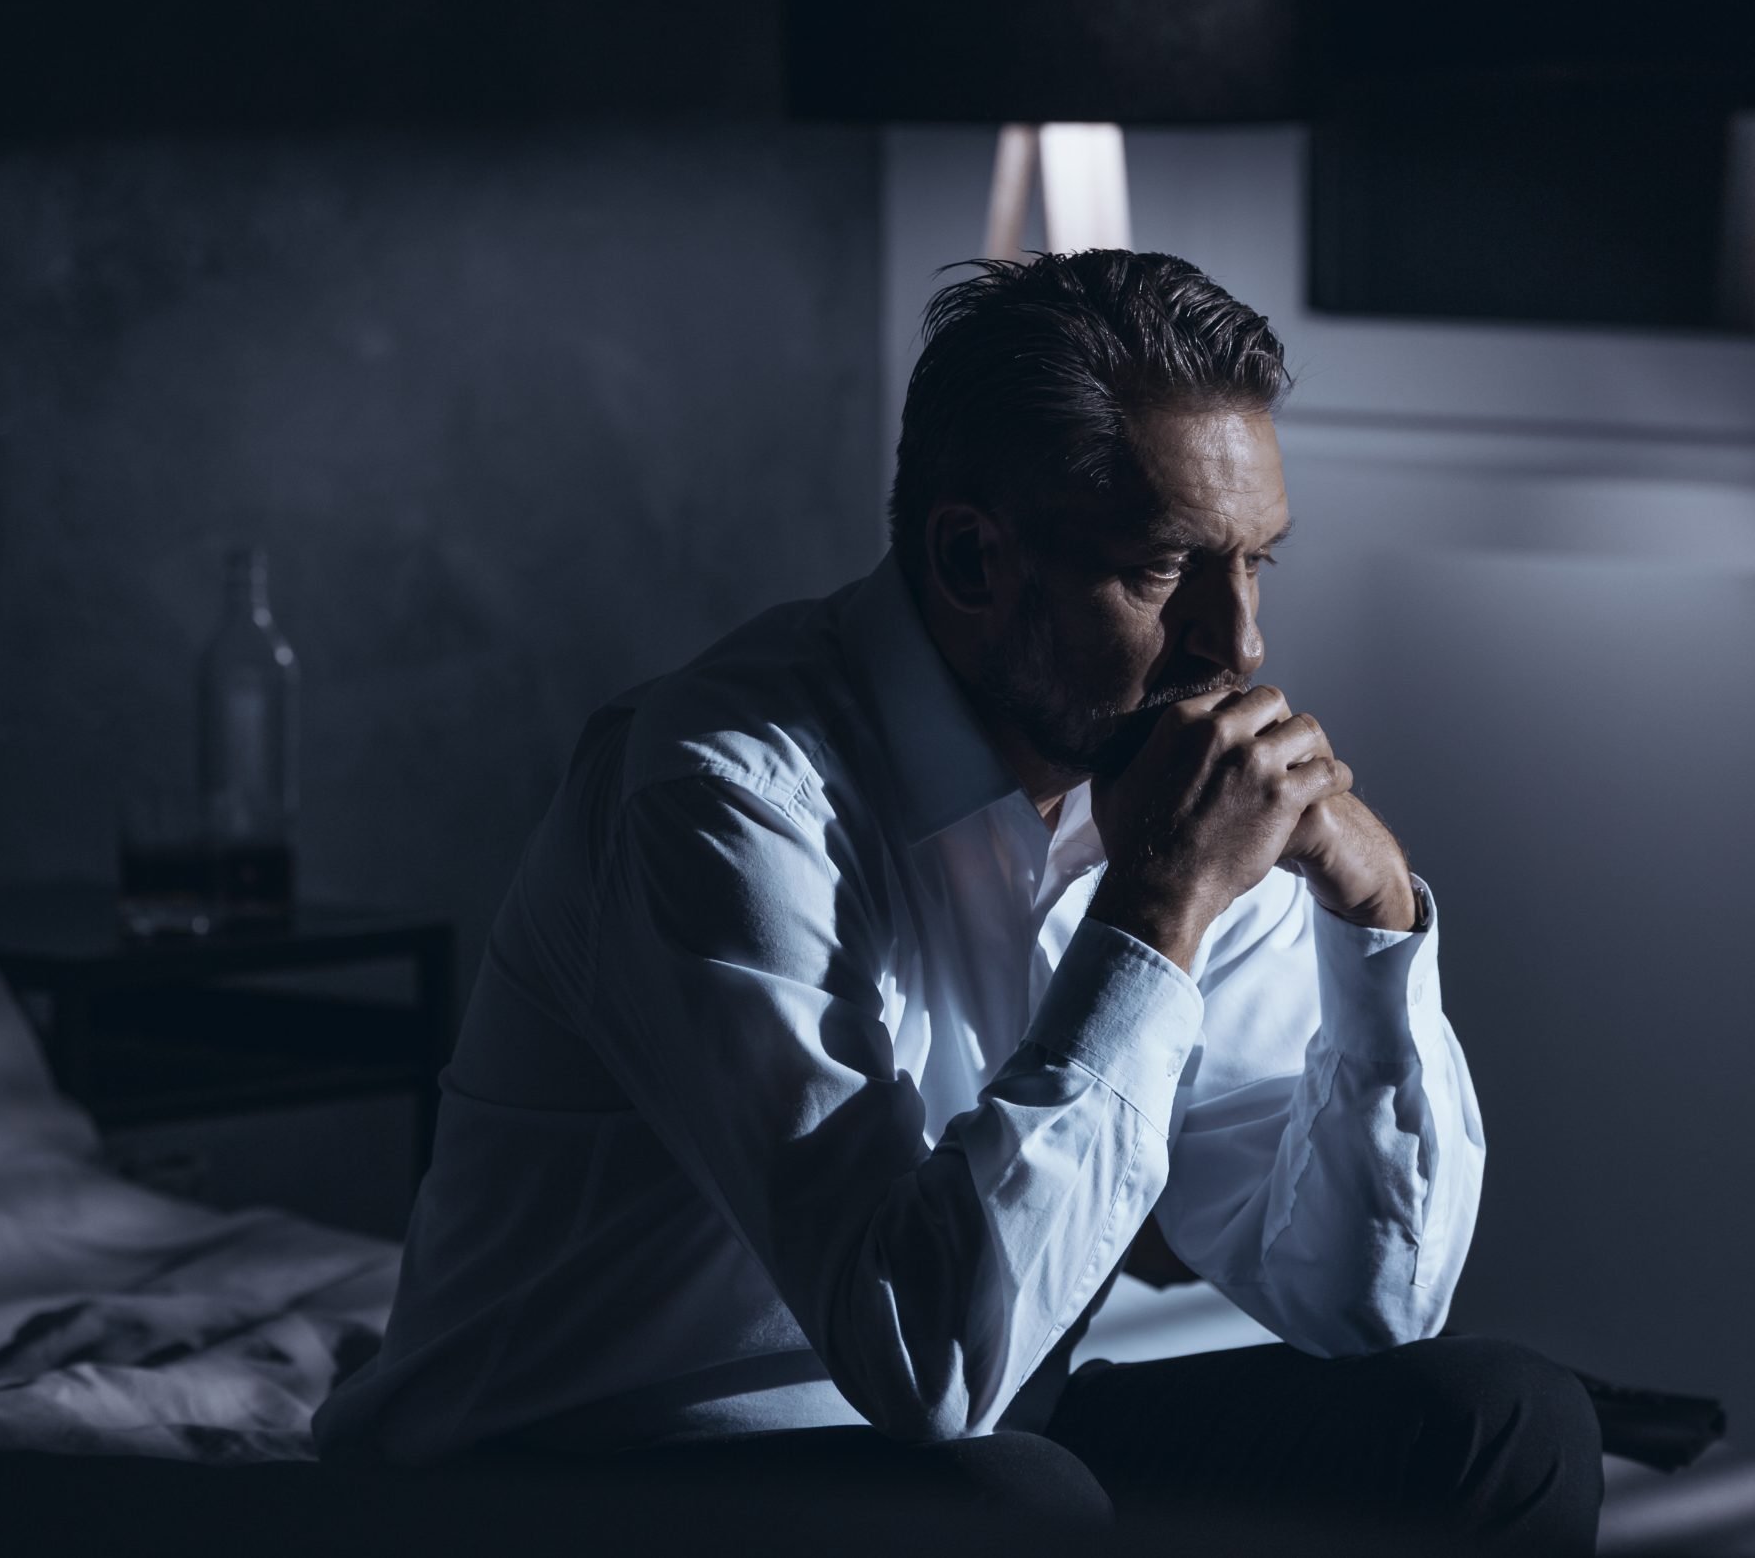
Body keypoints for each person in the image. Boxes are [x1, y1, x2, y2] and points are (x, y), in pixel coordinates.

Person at [314, 251, 1600, 1552]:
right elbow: (918, 1353)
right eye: (1167, 570)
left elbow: (1363, 1308)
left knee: (1504, 1423)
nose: (1241, 642)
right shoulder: (723, 793)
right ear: (972, 558)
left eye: (1256, 562)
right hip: (569, 1477)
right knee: (1014, 1503)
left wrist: (1375, 926)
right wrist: (1154, 916)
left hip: (975, 1448)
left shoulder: (1162, 778)